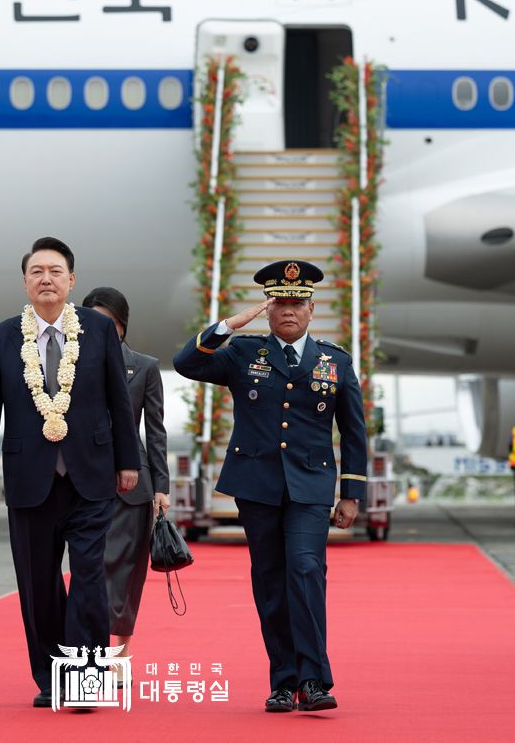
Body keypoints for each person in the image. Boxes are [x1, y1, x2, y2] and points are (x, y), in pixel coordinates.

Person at [173, 259, 366, 714]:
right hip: (257, 486)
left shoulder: (335, 361)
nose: (289, 311)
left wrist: (351, 494)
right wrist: (228, 325)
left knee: (304, 572)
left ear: (311, 309)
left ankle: (313, 679)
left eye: (297, 303)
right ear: (269, 307)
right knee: (271, 582)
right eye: (280, 302)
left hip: (310, 488)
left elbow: (354, 432)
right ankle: (283, 681)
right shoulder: (243, 353)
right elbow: (186, 363)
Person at [0, 237, 140, 708]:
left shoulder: (99, 332)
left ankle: (85, 680)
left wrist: (129, 461)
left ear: (71, 281)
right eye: (37, 271)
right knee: (38, 582)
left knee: (87, 578)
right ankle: (50, 677)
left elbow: (118, 402)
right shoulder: (2, 337)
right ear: (25, 282)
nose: (46, 279)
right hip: (29, 480)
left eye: (55, 271)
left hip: (91, 477)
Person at [82, 286, 169, 663]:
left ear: (122, 325)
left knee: (127, 572)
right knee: (91, 568)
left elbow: (156, 430)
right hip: (83, 480)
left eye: (109, 322)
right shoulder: (68, 365)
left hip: (133, 486)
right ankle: (89, 649)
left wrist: (162, 488)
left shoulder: (145, 366)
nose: (101, 328)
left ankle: (120, 653)